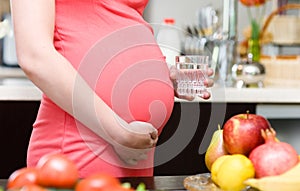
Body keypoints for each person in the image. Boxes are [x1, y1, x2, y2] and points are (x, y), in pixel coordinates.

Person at [10, 0, 214, 178]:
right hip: (77, 149)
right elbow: (34, 56)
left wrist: (160, 73)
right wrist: (118, 132)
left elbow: (112, 22)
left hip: (136, 158)